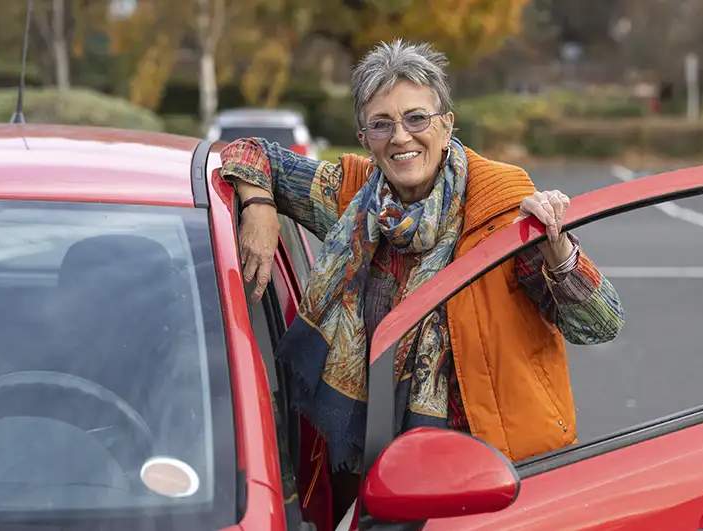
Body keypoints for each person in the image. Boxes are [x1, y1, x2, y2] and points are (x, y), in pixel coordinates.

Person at [221, 39, 625, 517]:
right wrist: (260, 204)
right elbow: (247, 151)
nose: (401, 137)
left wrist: (556, 246)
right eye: (381, 124)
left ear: (447, 123)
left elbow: (599, 324)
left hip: (501, 482)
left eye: (417, 118)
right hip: (387, 482)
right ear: (364, 137)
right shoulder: (352, 198)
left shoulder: (504, 210)